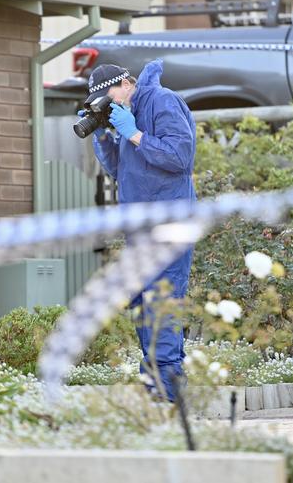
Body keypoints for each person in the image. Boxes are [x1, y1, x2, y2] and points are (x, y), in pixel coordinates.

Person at [80, 59, 197, 401]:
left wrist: (133, 133)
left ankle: (168, 391)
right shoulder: (124, 113)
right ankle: (157, 383)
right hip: (139, 228)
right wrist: (102, 136)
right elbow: (122, 171)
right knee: (142, 302)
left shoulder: (162, 101)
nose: (109, 104)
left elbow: (180, 157)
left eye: (108, 97)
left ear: (126, 84)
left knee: (162, 300)